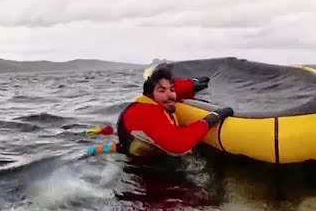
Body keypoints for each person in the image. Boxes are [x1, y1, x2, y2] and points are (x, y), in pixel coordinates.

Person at [86, 65, 234, 157]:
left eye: (172, 90)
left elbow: (170, 87)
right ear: (151, 95)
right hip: (138, 163)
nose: (170, 95)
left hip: (133, 141)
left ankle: (105, 138)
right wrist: (209, 120)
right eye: (162, 91)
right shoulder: (148, 113)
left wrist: (192, 84)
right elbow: (178, 145)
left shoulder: (157, 99)